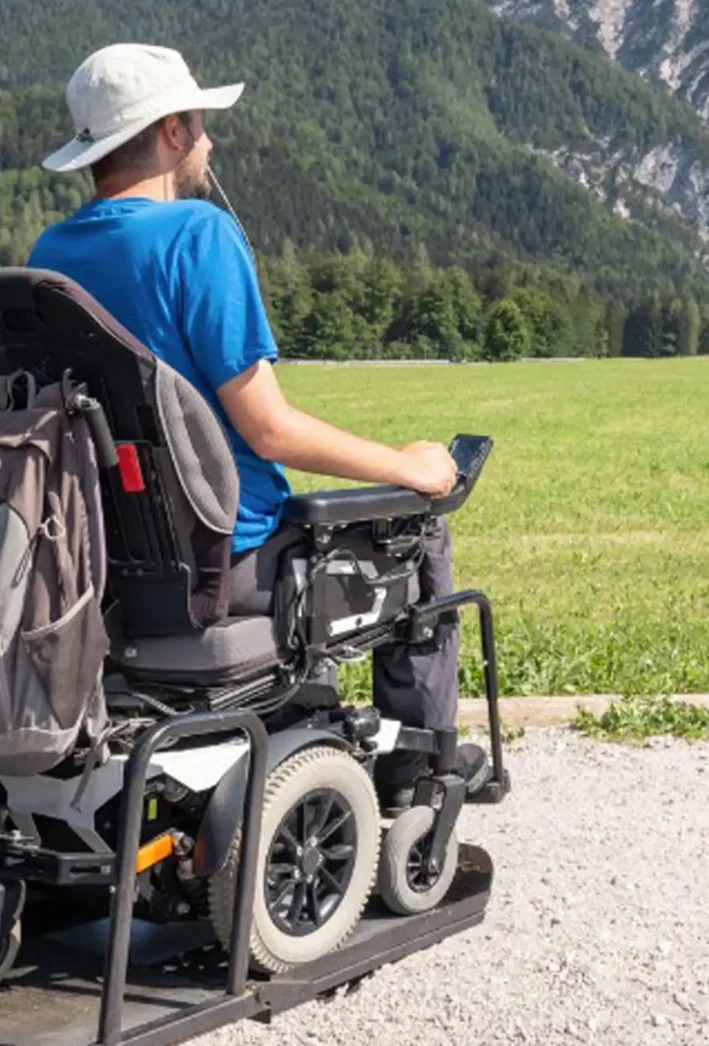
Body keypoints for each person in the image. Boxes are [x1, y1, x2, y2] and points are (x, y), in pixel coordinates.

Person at [28, 43, 488, 810]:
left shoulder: (53, 254)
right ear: (173, 130)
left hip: (102, 567)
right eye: (202, 124)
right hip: (223, 566)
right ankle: (419, 779)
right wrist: (410, 468)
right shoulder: (197, 237)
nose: (210, 140)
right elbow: (269, 431)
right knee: (415, 530)